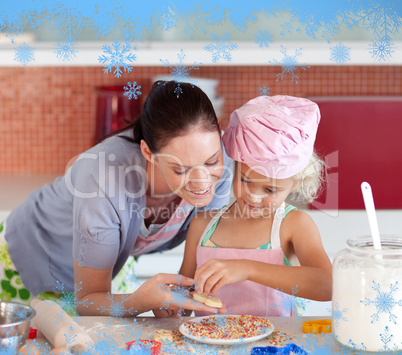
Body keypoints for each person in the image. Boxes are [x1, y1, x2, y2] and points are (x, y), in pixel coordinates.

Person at [1, 81, 232, 317]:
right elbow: (88, 301)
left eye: (211, 162)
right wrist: (140, 302)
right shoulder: (102, 179)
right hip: (30, 255)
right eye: (180, 170)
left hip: (109, 268)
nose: (202, 183)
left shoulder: (221, 156)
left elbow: (199, 252)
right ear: (147, 153)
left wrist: (178, 303)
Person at [179, 95, 333, 317]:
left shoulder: (293, 225)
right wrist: (171, 305)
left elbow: (327, 286)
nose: (253, 196)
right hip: (211, 350)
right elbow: (184, 298)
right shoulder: (202, 225)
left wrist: (247, 268)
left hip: (276, 349)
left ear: (295, 184)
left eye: (270, 190)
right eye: (245, 180)